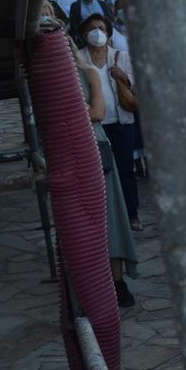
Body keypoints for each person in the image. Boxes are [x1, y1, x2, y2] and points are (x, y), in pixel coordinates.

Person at [69, 32, 138, 307]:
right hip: (68, 152)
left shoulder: (87, 73)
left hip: (95, 145)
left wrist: (66, 113)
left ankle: (117, 280)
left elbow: (97, 112)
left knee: (110, 215)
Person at [76, 14, 141, 231]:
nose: (98, 33)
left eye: (102, 28)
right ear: (84, 35)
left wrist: (124, 77)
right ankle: (104, 219)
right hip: (95, 125)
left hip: (122, 122)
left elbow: (135, 90)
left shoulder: (121, 56)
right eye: (93, 29)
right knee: (98, 172)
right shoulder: (79, 60)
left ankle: (132, 215)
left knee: (125, 170)